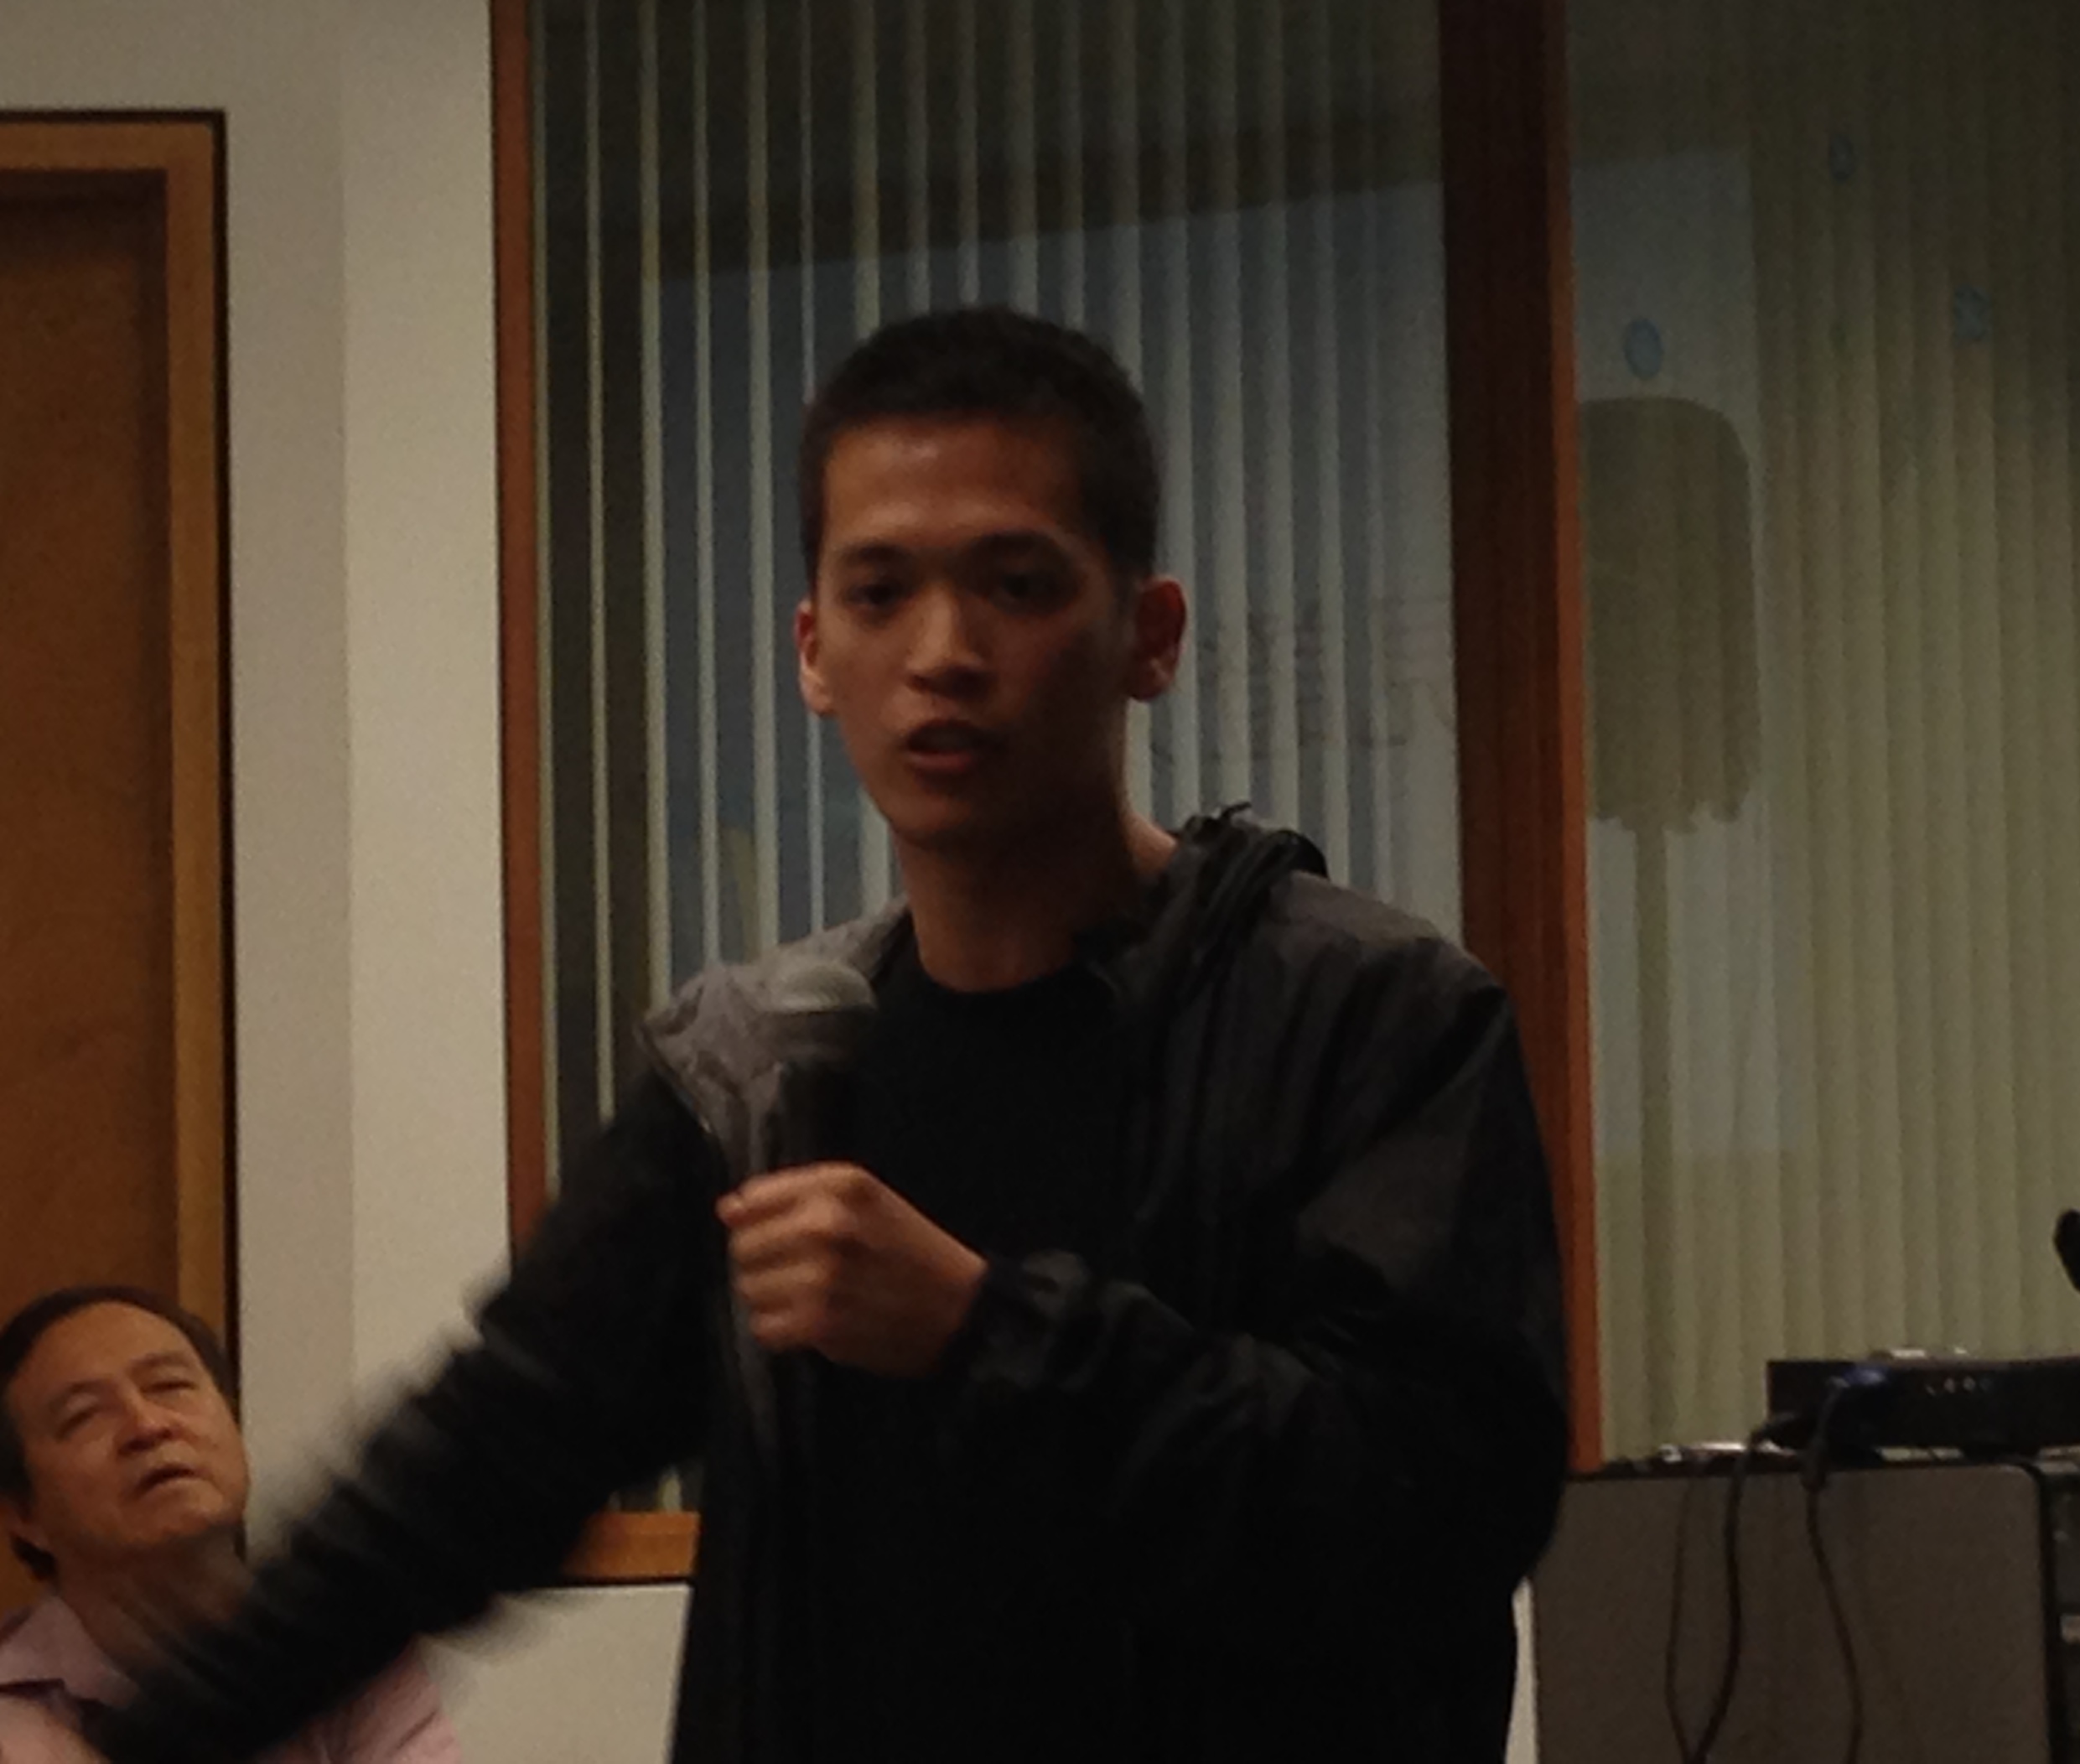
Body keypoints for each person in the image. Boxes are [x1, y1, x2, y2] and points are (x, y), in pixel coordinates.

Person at [95, 306, 1569, 1764]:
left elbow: (1437, 1509)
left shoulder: (1365, 1015)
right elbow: (485, 1460)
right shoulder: (753, 1078)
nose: (943, 651)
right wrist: (160, 1728)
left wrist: (984, 1330)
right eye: (879, 593)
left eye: (1015, 585)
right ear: (812, 652)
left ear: (1150, 633)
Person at [0, 1288, 458, 1764]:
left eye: (170, 1385)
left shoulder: (350, 1652)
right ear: (24, 1514)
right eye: (84, 1415)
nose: (147, 1425)